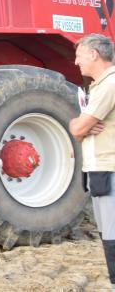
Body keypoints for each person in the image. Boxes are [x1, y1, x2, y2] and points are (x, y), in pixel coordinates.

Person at [70, 33, 115, 290]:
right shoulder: (101, 86)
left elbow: (77, 130)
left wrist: (80, 125)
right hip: (101, 169)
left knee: (111, 234)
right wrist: (81, 124)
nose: (76, 62)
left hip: (108, 169)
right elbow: (79, 126)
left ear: (93, 54)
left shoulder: (108, 85)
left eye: (79, 56)